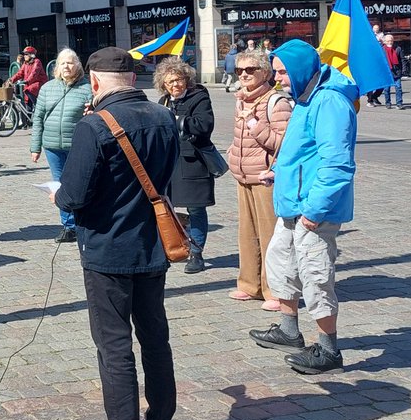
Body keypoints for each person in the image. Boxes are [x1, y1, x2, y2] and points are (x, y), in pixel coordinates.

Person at [54, 47, 178, 420]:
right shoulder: (164, 117)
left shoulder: (94, 125)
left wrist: (56, 194)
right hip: (153, 245)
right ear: (133, 79)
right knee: (155, 339)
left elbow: (72, 195)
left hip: (108, 249)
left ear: (94, 81)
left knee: (114, 346)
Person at [249, 40, 358, 374]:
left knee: (316, 276)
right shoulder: (305, 98)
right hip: (294, 202)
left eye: (282, 72)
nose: (278, 79)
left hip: (313, 209)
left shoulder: (329, 101)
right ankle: (288, 329)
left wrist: (314, 210)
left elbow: (337, 163)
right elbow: (301, 152)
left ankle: (328, 350)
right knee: (281, 263)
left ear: (299, 69)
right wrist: (279, 172)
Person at [226, 48, 293, 310]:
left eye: (250, 70)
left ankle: (275, 290)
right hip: (243, 174)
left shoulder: (277, 102)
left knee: (270, 236)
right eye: (239, 70)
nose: (243, 74)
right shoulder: (241, 99)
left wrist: (255, 125)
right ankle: (249, 284)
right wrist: (233, 155)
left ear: (265, 73)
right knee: (247, 234)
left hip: (266, 178)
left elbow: (282, 144)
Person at [153, 57, 217, 275]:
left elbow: (204, 125)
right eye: (170, 82)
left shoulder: (199, 97)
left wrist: (178, 119)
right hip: (169, 161)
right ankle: (174, 245)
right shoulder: (163, 101)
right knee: (166, 206)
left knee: (195, 207)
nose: (175, 85)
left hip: (192, 161)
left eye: (178, 80)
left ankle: (196, 253)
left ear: (186, 79)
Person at [30, 48, 92, 244]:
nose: (67, 66)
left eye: (71, 62)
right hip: (52, 145)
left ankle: (84, 222)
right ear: (57, 67)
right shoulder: (48, 88)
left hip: (77, 146)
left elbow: (96, 116)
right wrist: (35, 147)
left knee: (81, 183)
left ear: (78, 66)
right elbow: (38, 118)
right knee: (59, 183)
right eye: (63, 63)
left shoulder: (87, 88)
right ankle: (68, 226)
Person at [382, 34, 404, 109]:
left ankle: (399, 103)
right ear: (385, 41)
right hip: (386, 72)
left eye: (391, 40)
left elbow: (402, 60)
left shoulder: (398, 49)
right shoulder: (382, 49)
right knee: (386, 89)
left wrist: (403, 70)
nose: (390, 42)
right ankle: (388, 103)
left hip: (396, 71)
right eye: (388, 41)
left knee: (398, 88)